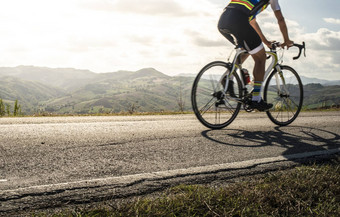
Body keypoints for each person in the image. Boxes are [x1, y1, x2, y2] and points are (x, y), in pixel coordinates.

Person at [218, 0, 294, 111]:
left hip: (223, 21)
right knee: (261, 58)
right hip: (239, 20)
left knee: (248, 49)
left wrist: (266, 42)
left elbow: (252, 22)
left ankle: (228, 77)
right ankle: (256, 99)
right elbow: (280, 19)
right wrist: (286, 40)